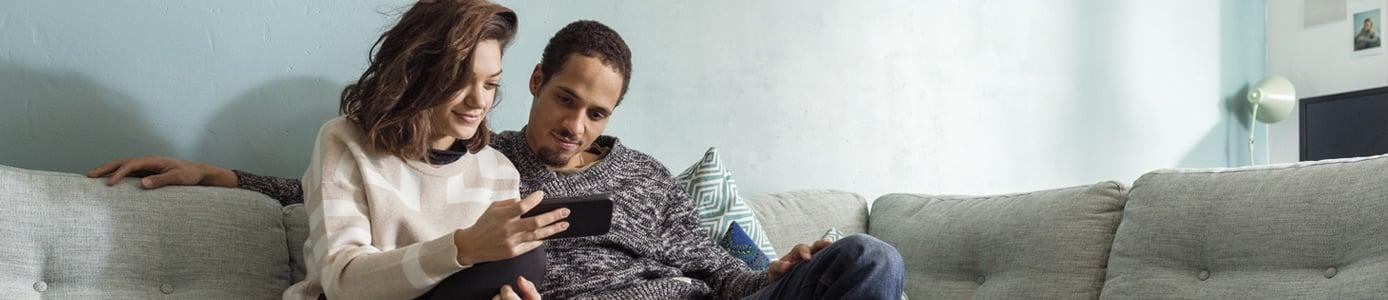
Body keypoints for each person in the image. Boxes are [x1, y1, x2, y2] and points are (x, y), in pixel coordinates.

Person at [91, 20, 905, 300]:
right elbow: (368, 179)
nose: (576, 125)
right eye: (566, 100)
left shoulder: (651, 176)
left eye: (597, 113)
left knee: (871, 259)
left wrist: (775, 271)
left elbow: (715, 272)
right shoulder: (491, 159)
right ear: (538, 84)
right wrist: (220, 174)